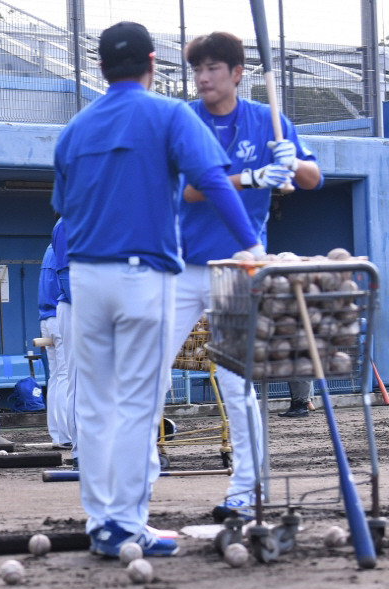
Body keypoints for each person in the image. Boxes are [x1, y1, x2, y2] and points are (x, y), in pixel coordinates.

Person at [53, 21, 266, 558]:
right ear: (152, 62)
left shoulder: (73, 129)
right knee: (137, 404)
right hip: (143, 275)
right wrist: (252, 245)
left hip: (83, 278)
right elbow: (213, 182)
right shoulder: (169, 113)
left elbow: (61, 203)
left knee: (97, 405)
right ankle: (127, 522)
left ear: (100, 67)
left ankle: (103, 522)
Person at [174, 31, 322, 521]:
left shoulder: (268, 121)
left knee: (238, 384)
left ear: (237, 74)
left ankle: (246, 487)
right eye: (197, 70)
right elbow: (194, 191)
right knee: (148, 374)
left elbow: (312, 179)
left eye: (213, 69)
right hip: (182, 265)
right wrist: (253, 176)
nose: (203, 78)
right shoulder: (188, 119)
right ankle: (134, 484)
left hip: (239, 269)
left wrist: (291, 162)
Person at [51, 217, 79, 469]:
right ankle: (81, 451)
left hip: (100, 306)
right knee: (79, 380)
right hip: (76, 307)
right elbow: (66, 272)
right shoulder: (68, 221)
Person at [38, 241, 71, 448]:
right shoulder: (63, 243)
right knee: (65, 376)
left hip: (46, 317)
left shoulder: (49, 247)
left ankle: (58, 435)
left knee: (57, 377)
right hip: (59, 315)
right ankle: (67, 435)